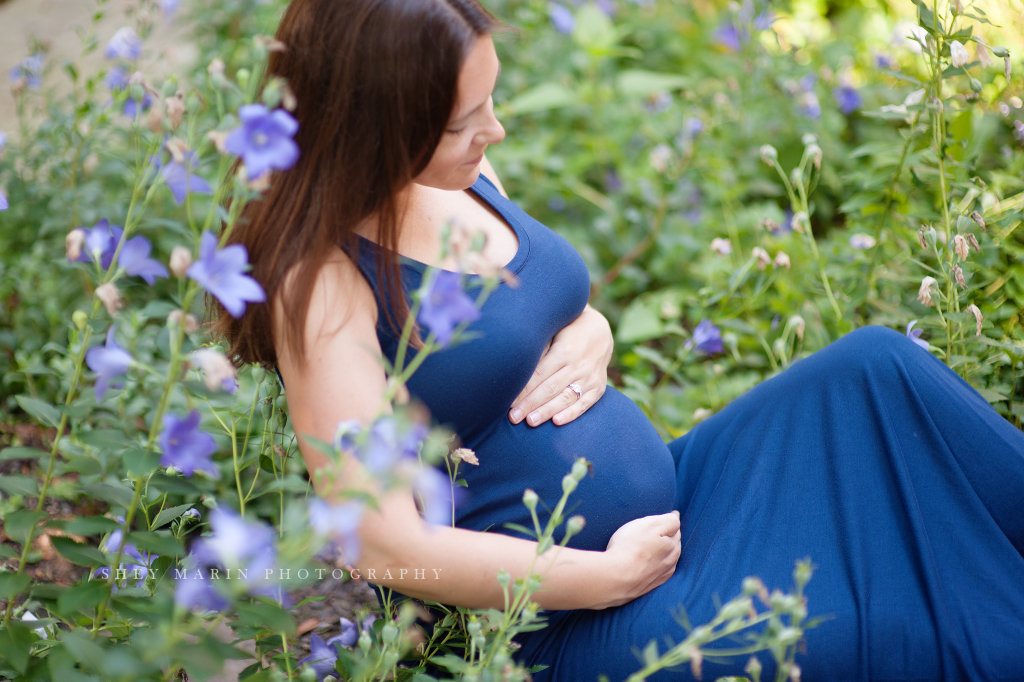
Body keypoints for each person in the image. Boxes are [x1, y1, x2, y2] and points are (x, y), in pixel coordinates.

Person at [214, 0, 1024, 679]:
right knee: (864, 615)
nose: (494, 130)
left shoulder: (462, 175)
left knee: (871, 372)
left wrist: (590, 328)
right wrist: (600, 578)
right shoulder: (320, 286)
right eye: (466, 121)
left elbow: (532, 305)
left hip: (680, 496)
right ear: (377, 128)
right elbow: (380, 544)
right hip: (579, 615)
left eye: (491, 101)